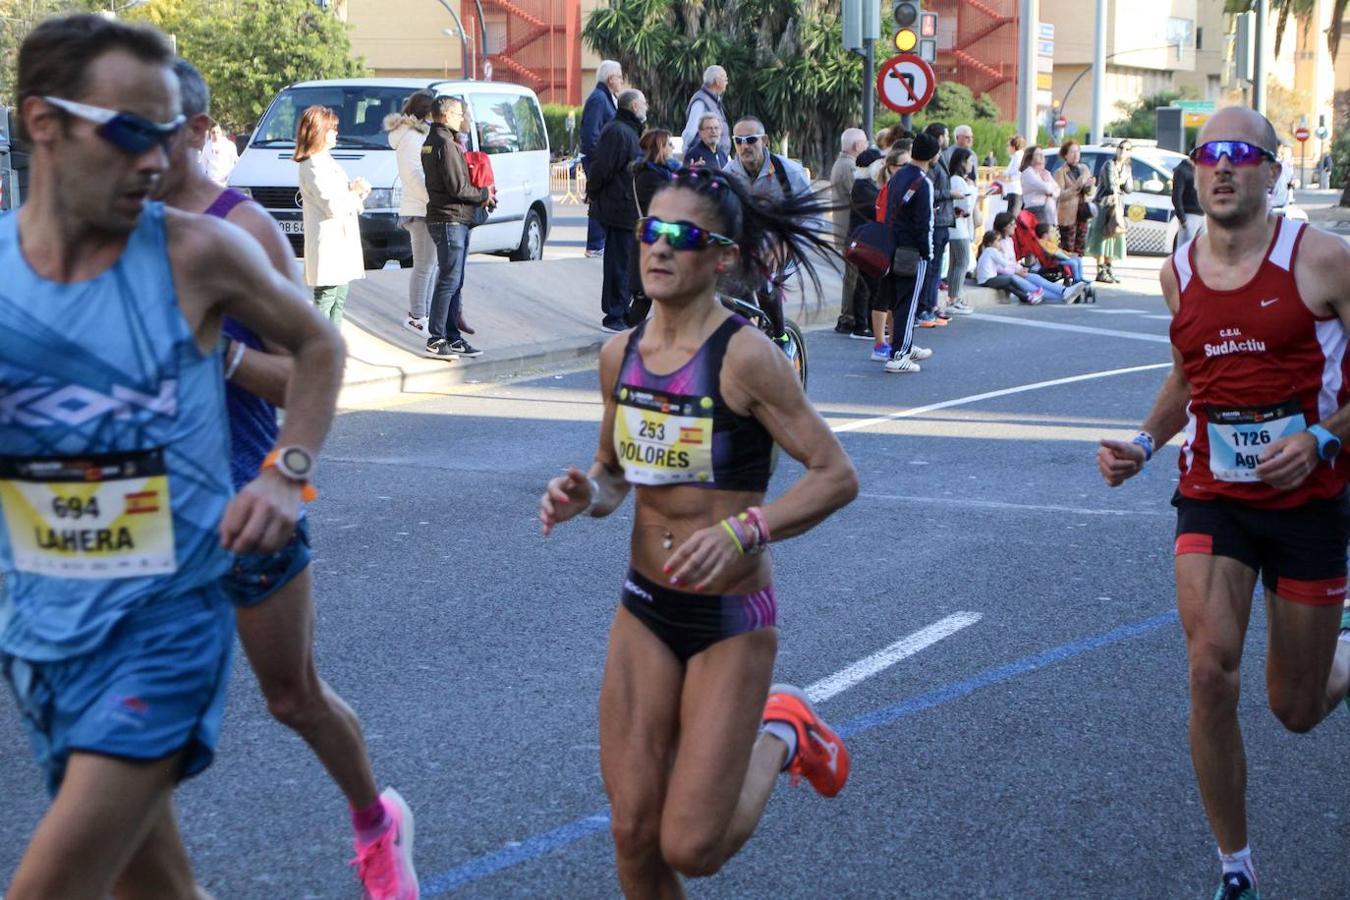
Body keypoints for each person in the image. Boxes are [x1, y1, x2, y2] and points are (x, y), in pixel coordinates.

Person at [0, 15, 345, 899]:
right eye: (129, 133)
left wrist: (285, 472)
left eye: (168, 134)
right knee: (151, 887)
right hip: (42, 629)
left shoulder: (197, 251)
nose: (156, 160)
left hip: (169, 623)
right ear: (43, 121)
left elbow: (319, 347)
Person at [537, 163, 858, 899]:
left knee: (690, 845)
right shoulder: (619, 356)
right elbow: (615, 475)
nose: (657, 247)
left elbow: (836, 474)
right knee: (631, 834)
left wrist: (749, 530)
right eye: (651, 229)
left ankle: (785, 731)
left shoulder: (747, 358)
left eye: (681, 236)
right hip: (646, 608)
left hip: (729, 620)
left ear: (721, 258)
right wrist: (583, 491)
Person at [153, 58, 418, 899]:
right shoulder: (109, 227)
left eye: (150, 124)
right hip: (140, 508)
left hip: (245, 490)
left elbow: (305, 369)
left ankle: (377, 821)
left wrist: (217, 352)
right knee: (131, 723)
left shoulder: (242, 233)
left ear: (197, 133)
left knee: (291, 695)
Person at [1096, 107, 1350, 900]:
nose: (1223, 167)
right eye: (1209, 155)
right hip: (1214, 494)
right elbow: (1187, 374)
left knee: (1296, 709)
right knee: (1210, 672)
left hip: (1311, 500)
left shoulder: (1324, 262)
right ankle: (1235, 866)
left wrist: (1322, 438)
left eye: (1242, 154)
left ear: (1274, 171)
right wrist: (1144, 442)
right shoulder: (1177, 267)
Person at [724, 115, 814, 338]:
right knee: (729, 293)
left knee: (766, 282)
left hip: (787, 244)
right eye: (739, 140)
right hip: (748, 245)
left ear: (764, 140)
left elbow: (811, 216)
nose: (744, 146)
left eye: (751, 139)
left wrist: (785, 241)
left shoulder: (788, 172)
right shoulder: (728, 173)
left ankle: (780, 335)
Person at [422, 95, 490, 359]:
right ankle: (436, 338)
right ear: (447, 115)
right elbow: (457, 187)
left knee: (455, 280)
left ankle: (452, 336)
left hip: (453, 218)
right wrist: (484, 194)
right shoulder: (444, 144)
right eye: (460, 114)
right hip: (449, 219)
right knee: (448, 280)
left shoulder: (435, 141)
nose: (463, 119)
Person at [295, 105, 367, 326]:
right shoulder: (312, 165)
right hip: (328, 241)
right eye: (332, 128)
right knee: (326, 297)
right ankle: (320, 350)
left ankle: (334, 347)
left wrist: (354, 191)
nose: (336, 133)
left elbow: (341, 197)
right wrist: (353, 193)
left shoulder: (326, 160)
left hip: (341, 239)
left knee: (340, 295)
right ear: (318, 131)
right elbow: (332, 205)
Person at [876, 131, 940, 373]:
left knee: (899, 299)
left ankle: (905, 344)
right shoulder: (924, 183)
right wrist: (928, 253)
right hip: (912, 250)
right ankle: (899, 354)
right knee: (908, 302)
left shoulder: (899, 175)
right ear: (933, 155)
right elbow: (925, 224)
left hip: (892, 244)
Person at [587, 89, 646, 333]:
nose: (647, 107)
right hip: (619, 207)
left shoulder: (627, 130)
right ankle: (614, 315)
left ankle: (621, 311)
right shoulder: (619, 131)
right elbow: (603, 168)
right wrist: (592, 191)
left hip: (626, 207)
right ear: (633, 106)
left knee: (625, 262)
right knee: (618, 263)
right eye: (643, 104)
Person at [385, 89, 437, 337]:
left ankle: (422, 314)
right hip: (420, 209)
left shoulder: (413, 136)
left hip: (421, 207)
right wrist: (435, 199)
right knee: (424, 266)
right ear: (425, 113)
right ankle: (417, 317)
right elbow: (416, 176)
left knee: (428, 265)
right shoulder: (412, 139)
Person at [626, 127, 677, 326]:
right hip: (651, 242)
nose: (673, 148)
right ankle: (629, 340)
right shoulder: (649, 176)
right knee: (644, 296)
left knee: (653, 294)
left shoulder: (663, 172)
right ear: (661, 147)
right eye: (669, 144)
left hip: (657, 241)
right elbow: (662, 209)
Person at [976, 212, 1083, 304]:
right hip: (1001, 274)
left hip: (1012, 270)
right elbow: (999, 266)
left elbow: (1011, 261)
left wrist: (1019, 268)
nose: (1015, 227)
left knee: (1036, 278)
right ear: (1005, 227)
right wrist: (1017, 271)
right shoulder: (998, 244)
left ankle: (1063, 291)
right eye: (1012, 224)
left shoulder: (1009, 240)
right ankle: (1062, 294)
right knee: (1028, 283)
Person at [581, 60, 622, 258]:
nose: (622, 81)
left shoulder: (605, 98)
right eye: (620, 77)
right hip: (598, 160)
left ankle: (599, 243)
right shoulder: (599, 99)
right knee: (599, 199)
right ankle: (596, 244)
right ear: (610, 78)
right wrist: (602, 160)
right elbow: (591, 135)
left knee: (602, 199)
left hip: (602, 160)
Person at [830, 127, 868, 333]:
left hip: (844, 228)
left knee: (852, 274)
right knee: (853, 275)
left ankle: (849, 315)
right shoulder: (848, 166)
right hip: (849, 230)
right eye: (865, 143)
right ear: (857, 146)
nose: (867, 146)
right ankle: (847, 316)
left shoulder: (842, 163)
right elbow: (858, 194)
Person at [917, 122, 955, 327]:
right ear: (939, 137)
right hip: (937, 220)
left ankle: (931, 306)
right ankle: (925, 307)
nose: (948, 138)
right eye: (946, 134)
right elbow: (929, 190)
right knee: (931, 268)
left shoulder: (940, 159)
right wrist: (950, 194)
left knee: (936, 268)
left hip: (943, 220)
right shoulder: (930, 164)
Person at [846, 146, 884, 340]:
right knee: (865, 285)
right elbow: (876, 209)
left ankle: (868, 323)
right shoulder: (863, 186)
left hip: (865, 241)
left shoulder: (867, 184)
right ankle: (861, 325)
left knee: (871, 284)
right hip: (863, 243)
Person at [1085, 139, 1134, 283]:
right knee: (1102, 237)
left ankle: (1108, 268)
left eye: (1126, 149)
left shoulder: (1126, 168)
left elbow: (1129, 188)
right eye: (1121, 148)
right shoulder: (1109, 164)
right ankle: (1100, 271)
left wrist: (1123, 180)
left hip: (1117, 206)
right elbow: (1110, 185)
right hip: (1104, 205)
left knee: (1114, 235)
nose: (1123, 151)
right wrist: (1121, 181)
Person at [945, 145, 978, 316]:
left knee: (956, 262)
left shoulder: (957, 180)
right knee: (962, 262)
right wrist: (973, 189)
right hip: (959, 226)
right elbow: (966, 205)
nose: (972, 164)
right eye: (970, 161)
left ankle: (953, 297)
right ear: (962, 162)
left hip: (958, 226)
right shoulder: (958, 181)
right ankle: (954, 298)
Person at [680, 65, 730, 160]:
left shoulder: (713, 100)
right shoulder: (701, 101)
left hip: (716, 155)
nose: (726, 83)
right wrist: (686, 153)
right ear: (717, 81)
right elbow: (690, 131)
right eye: (725, 79)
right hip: (703, 158)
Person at [1054, 139, 1094, 256]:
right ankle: (1067, 272)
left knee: (1081, 246)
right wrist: (1077, 185)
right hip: (1067, 215)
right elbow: (1060, 195)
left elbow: (1090, 192)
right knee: (1068, 247)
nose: (1076, 155)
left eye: (1078, 151)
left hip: (1083, 213)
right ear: (1065, 155)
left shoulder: (1084, 168)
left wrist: (1089, 186)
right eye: (1072, 152)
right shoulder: (1060, 172)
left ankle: (1077, 271)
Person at [1019, 144, 1060, 225]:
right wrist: (1049, 186)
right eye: (1038, 154)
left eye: (1042, 154)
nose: (1042, 156)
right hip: (1035, 209)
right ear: (1030, 158)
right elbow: (1046, 188)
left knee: (1052, 236)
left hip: (1049, 211)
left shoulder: (1045, 173)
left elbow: (1058, 190)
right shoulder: (1028, 172)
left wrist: (1052, 193)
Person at [1172, 153, 1206, 247]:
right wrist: (1182, 219)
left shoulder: (1200, 169)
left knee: (1201, 250)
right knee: (1184, 250)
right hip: (1189, 215)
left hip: (1203, 215)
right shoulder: (1182, 170)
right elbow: (1176, 196)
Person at [198, 121, 236, 186]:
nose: (216, 135)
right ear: (210, 133)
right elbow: (203, 164)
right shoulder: (206, 147)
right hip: (211, 182)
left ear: (221, 132)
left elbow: (234, 162)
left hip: (226, 182)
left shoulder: (230, 146)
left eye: (217, 132)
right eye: (213, 132)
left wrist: (230, 176)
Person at [1001, 133, 1026, 215]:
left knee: (1012, 218)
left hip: (1015, 191)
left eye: (1008, 145)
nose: (1007, 148)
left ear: (1014, 146)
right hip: (1015, 191)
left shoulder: (1018, 156)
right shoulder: (1017, 156)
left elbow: (1017, 174)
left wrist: (1001, 178)